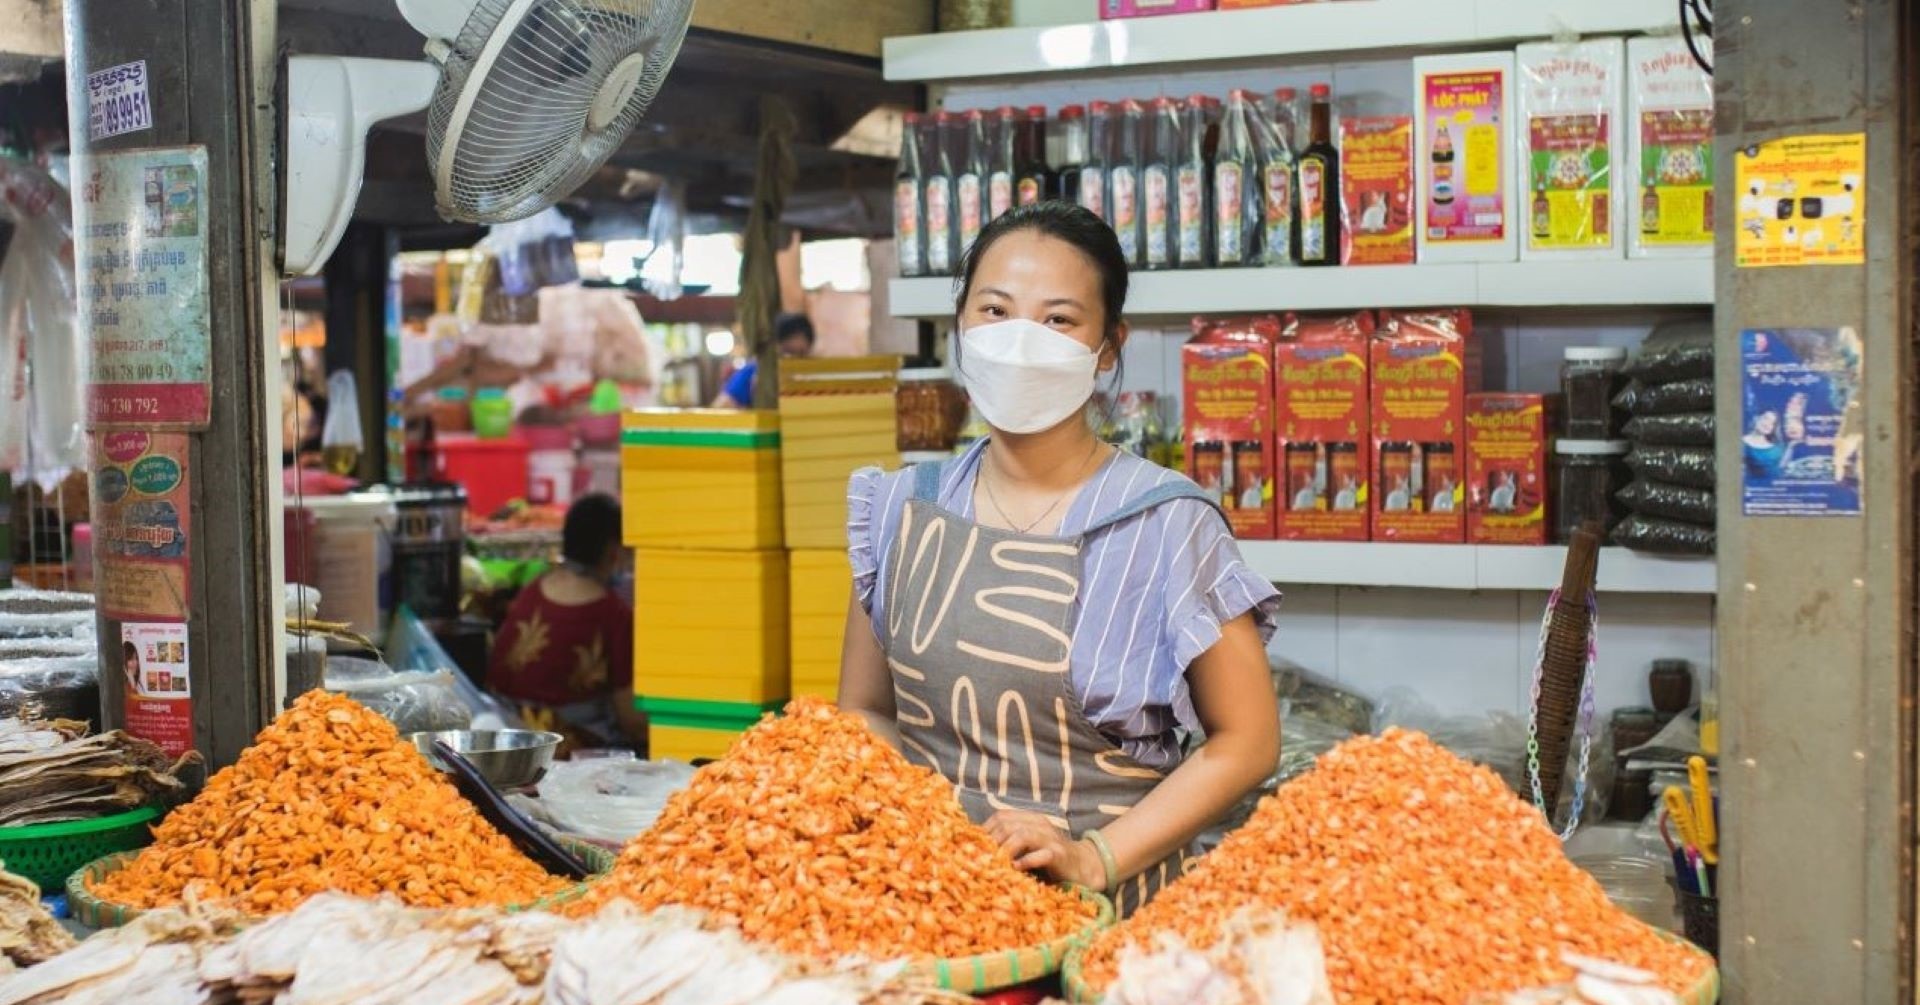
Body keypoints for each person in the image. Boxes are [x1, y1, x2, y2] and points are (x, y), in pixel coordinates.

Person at [838, 203, 1282, 915]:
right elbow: (863, 709)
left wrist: (1093, 857)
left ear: (1107, 347)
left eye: (1059, 320)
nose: (1021, 342)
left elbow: (1249, 741)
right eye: (995, 310)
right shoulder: (899, 507)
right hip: (933, 901)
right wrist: (929, 835)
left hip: (1113, 916)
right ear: (960, 323)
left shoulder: (1167, 522)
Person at [488, 493, 646, 754]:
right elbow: (632, 722)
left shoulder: (532, 592)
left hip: (508, 740)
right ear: (614, 551)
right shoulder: (612, 615)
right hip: (575, 752)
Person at [713, 312, 814, 407]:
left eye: (801, 355)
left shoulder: (811, 373)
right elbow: (722, 406)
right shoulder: (753, 371)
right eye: (788, 353)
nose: (793, 361)